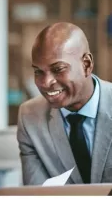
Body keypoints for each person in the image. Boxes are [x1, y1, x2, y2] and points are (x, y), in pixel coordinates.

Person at [17, 22, 112, 185]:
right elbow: (37, 193)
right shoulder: (30, 117)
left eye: (58, 69)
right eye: (38, 71)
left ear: (86, 65)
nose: (46, 82)